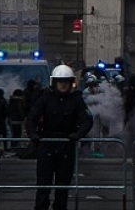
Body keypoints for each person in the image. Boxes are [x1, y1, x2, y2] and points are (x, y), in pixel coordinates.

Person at [25, 64, 93, 210]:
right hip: (47, 143)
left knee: (63, 186)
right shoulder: (45, 99)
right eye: (60, 81)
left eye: (66, 82)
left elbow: (87, 120)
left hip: (66, 144)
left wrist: (78, 135)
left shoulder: (76, 100)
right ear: (54, 82)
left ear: (71, 83)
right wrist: (33, 135)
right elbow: (31, 118)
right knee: (43, 184)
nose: (63, 85)